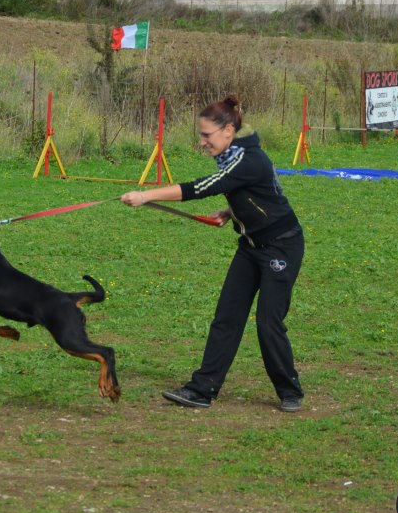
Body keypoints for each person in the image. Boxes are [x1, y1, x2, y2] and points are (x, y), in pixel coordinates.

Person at [121, 95, 305, 412]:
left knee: (268, 322)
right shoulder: (236, 155)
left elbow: (201, 187)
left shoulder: (247, 159)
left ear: (228, 131)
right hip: (250, 247)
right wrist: (234, 211)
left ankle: (290, 391)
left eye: (207, 135)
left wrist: (145, 194)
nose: (202, 143)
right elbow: (256, 192)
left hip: (281, 246)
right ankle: (202, 389)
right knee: (227, 319)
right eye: (201, 136)